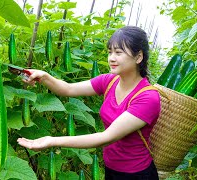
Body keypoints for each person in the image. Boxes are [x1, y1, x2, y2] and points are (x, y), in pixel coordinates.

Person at [17, 26, 160, 180]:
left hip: (136, 174)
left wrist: (52, 140)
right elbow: (69, 89)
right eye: (110, 52)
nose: (111, 58)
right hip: (111, 168)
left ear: (138, 57)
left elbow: (107, 137)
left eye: (118, 52)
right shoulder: (109, 81)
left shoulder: (148, 98)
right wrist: (44, 76)